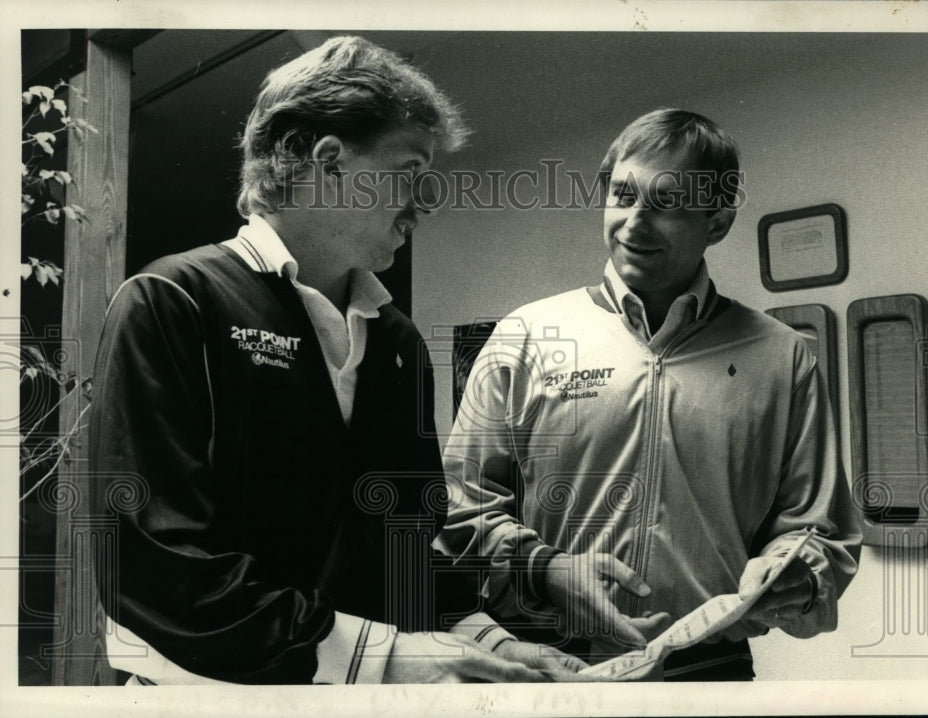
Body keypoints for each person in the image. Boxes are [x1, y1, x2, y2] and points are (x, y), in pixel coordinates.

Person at [88, 35, 587, 685]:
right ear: (326, 161)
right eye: (410, 171)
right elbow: (154, 567)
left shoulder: (400, 345)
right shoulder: (172, 301)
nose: (427, 200)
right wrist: (388, 658)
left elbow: (405, 549)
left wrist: (487, 638)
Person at [440, 108, 862, 681]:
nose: (635, 223)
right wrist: (544, 568)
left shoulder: (783, 357)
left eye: (667, 204)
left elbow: (820, 532)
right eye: (623, 195)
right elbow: (457, 509)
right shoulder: (526, 336)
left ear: (718, 220)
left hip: (709, 671)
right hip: (547, 665)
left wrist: (796, 572)